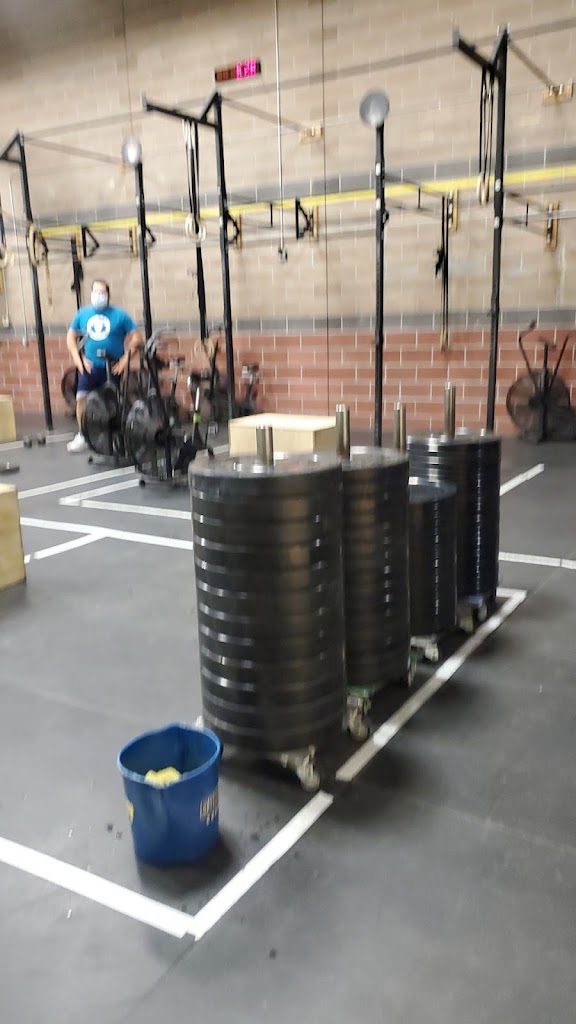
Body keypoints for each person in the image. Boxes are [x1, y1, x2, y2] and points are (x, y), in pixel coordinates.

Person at [66, 280, 143, 453]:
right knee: (82, 398)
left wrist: (124, 361)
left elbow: (137, 338)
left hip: (113, 367)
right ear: (91, 293)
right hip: (90, 367)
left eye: (102, 293)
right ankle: (84, 435)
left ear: (108, 295)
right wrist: (78, 359)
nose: (99, 296)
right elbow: (70, 337)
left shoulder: (120, 315)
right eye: (96, 292)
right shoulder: (82, 314)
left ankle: (114, 436)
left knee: (112, 402)